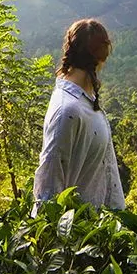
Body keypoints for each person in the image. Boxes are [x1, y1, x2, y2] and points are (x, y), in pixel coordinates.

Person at [32, 18, 126, 209]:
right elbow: (48, 189)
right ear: (102, 56)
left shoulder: (84, 104)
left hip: (96, 232)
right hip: (77, 234)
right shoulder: (67, 110)